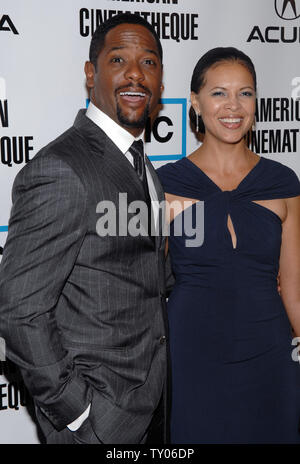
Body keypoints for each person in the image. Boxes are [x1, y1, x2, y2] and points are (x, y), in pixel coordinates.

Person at [0, 13, 170, 444]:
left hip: (153, 406)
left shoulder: (146, 169)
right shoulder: (62, 169)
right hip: (98, 423)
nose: (136, 73)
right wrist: (75, 411)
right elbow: (19, 310)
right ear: (91, 73)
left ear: (160, 80)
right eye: (119, 60)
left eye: (149, 63)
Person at [157, 47, 300, 444]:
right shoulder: (165, 185)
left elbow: (295, 290)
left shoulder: (284, 183)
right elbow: (143, 286)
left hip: (272, 354)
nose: (233, 106)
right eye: (219, 93)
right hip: (191, 354)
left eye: (245, 93)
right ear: (195, 102)